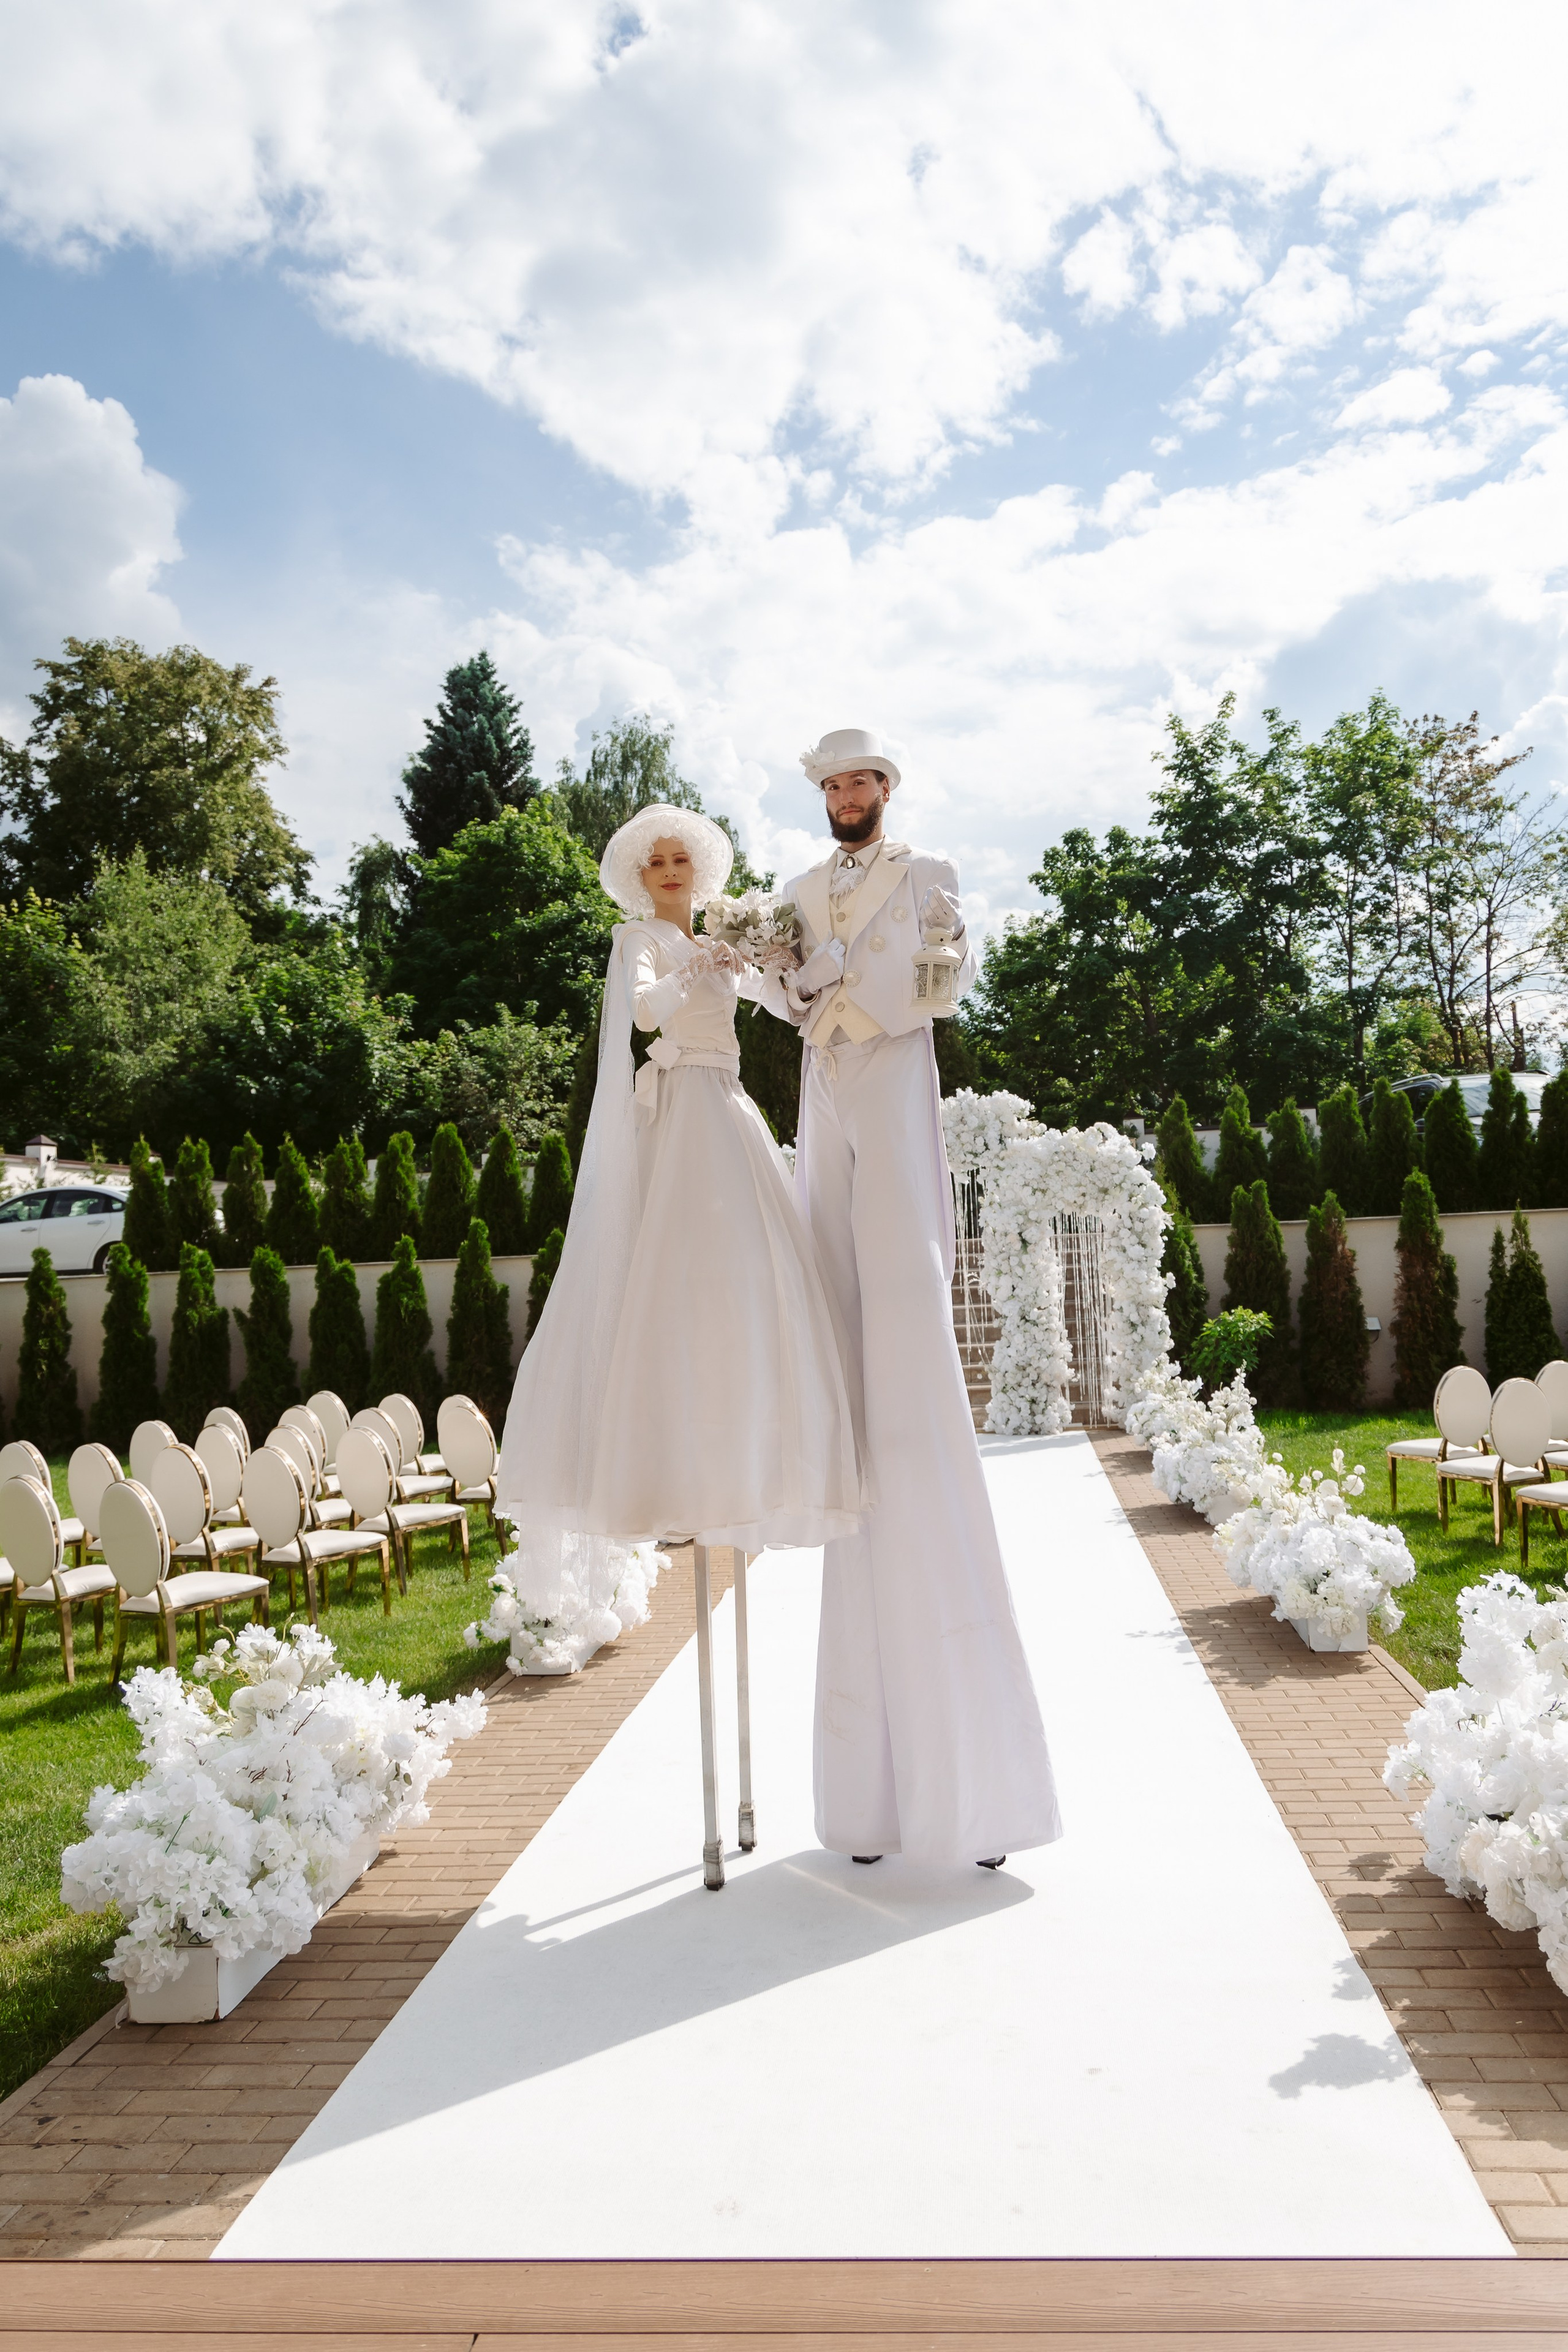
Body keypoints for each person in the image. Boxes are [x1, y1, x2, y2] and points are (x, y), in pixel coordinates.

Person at [760, 727, 1061, 1869]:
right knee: (823, 1241)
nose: (847, 797)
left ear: (886, 791)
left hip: (891, 1067)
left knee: (898, 1254)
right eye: (833, 785)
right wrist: (795, 987)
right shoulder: (793, 890)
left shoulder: (925, 876)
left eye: (862, 783)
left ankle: (908, 1364)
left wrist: (856, 986)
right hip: (821, 1077)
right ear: (823, 798)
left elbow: (946, 981)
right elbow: (788, 1001)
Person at [494, 802, 861, 1650]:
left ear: (699, 869)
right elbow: (646, 1016)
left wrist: (804, 964)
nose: (668, 869)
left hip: (728, 1106)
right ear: (639, 875)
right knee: (671, 1273)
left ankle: (744, 1450)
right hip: (681, 1109)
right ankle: (662, 1468)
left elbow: (784, 1002)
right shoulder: (639, 941)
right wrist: (704, 971)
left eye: (679, 858)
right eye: (654, 860)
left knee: (748, 1280)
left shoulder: (719, 939)